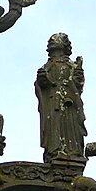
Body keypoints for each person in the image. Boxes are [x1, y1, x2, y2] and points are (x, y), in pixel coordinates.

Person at [34, 33, 86, 161]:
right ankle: (55, 150)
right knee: (53, 124)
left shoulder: (71, 65)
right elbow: (41, 86)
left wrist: (78, 75)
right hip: (52, 100)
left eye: (57, 40)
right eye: (51, 41)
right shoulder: (46, 67)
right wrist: (42, 80)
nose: (52, 42)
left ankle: (72, 151)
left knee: (70, 124)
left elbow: (78, 84)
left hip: (69, 101)